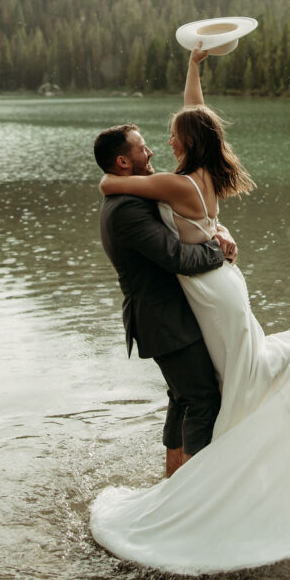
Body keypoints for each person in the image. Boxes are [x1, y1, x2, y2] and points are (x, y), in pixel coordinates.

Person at [90, 45, 290, 574]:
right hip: (220, 284)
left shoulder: (177, 182)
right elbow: (196, 115)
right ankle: (216, 480)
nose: (163, 143)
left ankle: (211, 497)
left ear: (186, 143)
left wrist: (110, 179)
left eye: (171, 136)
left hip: (209, 284)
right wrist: (194, 68)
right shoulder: (202, 170)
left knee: (230, 383)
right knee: (231, 378)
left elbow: (115, 181)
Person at [93, 120, 237, 477]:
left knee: (182, 397)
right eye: (142, 148)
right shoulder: (125, 209)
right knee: (203, 399)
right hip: (164, 320)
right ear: (124, 162)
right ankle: (193, 496)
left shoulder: (132, 195)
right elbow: (176, 257)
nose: (151, 151)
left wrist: (218, 228)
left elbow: (188, 219)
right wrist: (219, 254)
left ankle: (172, 482)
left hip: (167, 318)